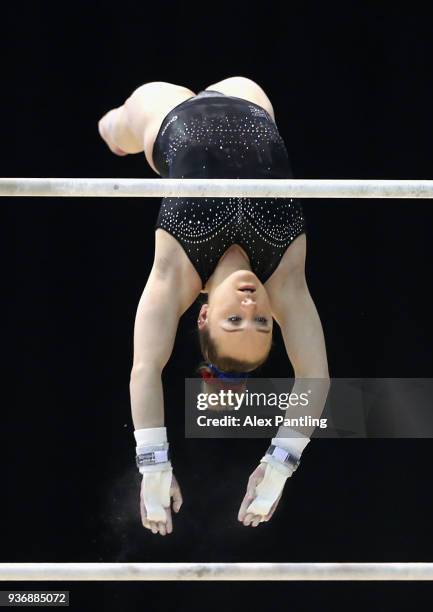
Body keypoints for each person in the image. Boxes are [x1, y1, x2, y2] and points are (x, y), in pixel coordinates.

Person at [98, 76, 330, 536]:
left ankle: (111, 132)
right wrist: (280, 463)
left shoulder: (176, 274)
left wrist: (154, 465)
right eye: (263, 322)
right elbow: (316, 377)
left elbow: (146, 367)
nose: (252, 304)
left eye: (234, 320)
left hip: (168, 119)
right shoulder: (284, 276)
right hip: (247, 98)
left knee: (117, 126)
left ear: (202, 314)